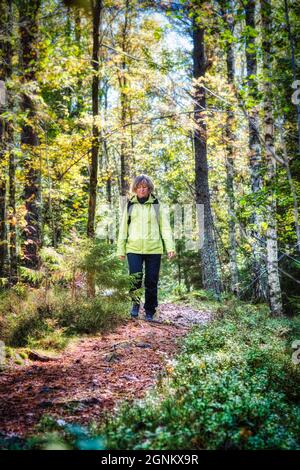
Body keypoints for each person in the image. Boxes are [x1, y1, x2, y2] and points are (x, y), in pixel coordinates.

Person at [116, 174, 175, 321]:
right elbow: (123, 228)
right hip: (133, 248)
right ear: (135, 189)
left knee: (151, 281)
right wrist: (120, 249)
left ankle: (150, 310)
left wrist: (170, 247)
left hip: (154, 248)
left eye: (145, 187)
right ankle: (135, 305)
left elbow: (165, 227)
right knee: (135, 279)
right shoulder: (130, 205)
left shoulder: (156, 205)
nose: (142, 190)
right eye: (139, 187)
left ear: (149, 189)